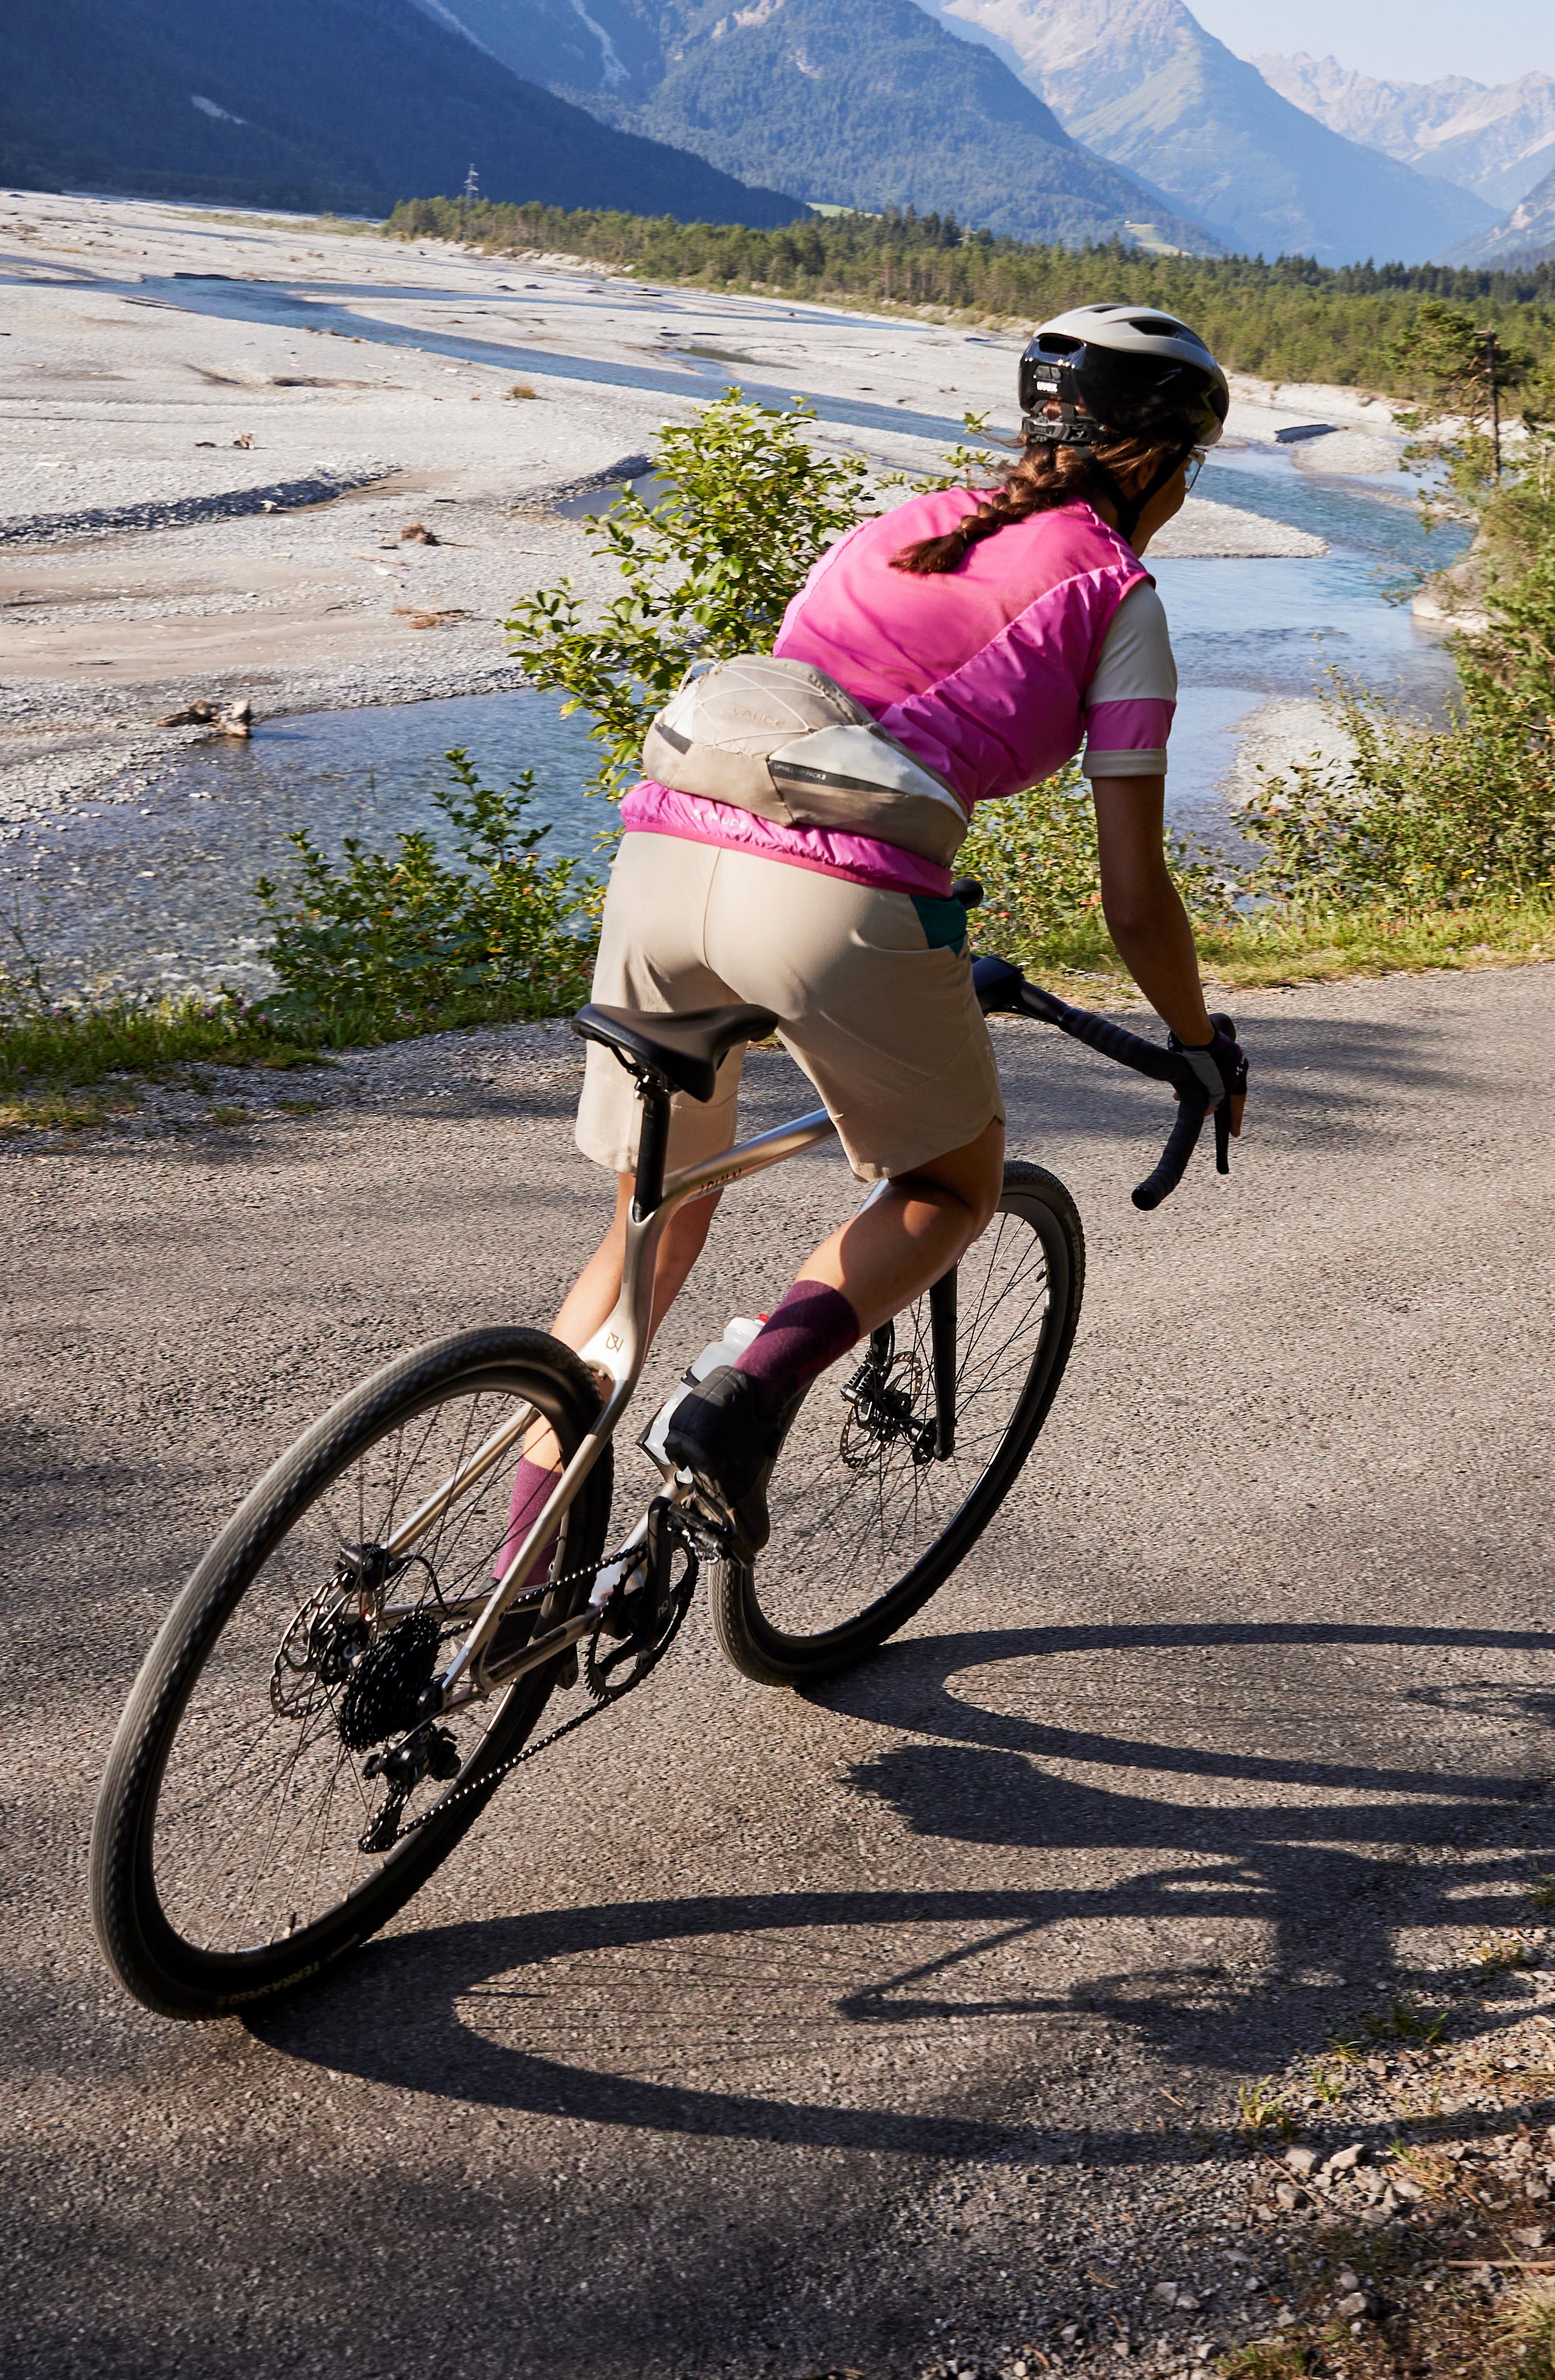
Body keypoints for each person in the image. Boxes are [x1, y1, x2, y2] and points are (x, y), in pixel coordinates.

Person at [519, 304, 1256, 1563]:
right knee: (948, 1181)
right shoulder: (1117, 595)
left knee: (657, 1211)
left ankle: (513, 1576)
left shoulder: (889, 530)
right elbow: (1132, 895)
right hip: (829, 903)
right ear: (1167, 468)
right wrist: (1198, 1044)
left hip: (661, 848)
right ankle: (741, 1394)